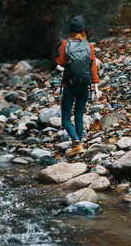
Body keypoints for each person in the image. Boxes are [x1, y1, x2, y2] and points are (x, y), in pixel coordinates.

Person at [56, 16, 100, 157]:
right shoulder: (89, 46)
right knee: (79, 115)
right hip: (85, 85)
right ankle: (78, 146)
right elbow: (93, 67)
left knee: (66, 119)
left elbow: (61, 63)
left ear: (71, 30)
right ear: (83, 31)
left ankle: (76, 143)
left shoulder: (65, 44)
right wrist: (96, 87)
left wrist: (58, 58)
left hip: (70, 85)